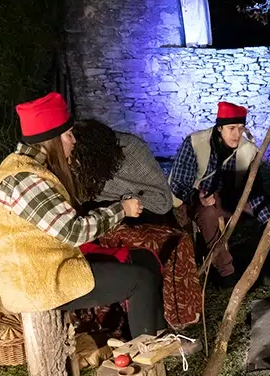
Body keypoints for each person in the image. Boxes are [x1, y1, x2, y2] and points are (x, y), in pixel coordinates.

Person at [0, 92, 165, 339]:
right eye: (68, 135)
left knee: (141, 262)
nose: (73, 142)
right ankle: (146, 353)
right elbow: (73, 231)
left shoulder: (28, 170)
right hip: (40, 284)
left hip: (50, 270)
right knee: (139, 280)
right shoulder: (25, 180)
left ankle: (157, 338)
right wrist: (122, 208)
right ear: (52, 139)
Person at [71, 120, 204, 329]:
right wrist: (117, 206)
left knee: (178, 242)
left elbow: (161, 200)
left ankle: (176, 316)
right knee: (139, 248)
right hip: (105, 221)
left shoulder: (131, 150)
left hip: (149, 217)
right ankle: (137, 322)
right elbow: (81, 204)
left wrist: (129, 200)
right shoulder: (74, 161)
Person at [167, 101, 270, 285]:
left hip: (230, 200)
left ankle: (269, 263)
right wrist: (196, 196)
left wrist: (269, 218)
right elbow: (179, 182)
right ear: (219, 128)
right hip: (194, 200)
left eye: (240, 128)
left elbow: (254, 189)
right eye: (231, 128)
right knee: (208, 213)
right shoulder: (195, 143)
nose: (237, 134)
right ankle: (226, 271)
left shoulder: (247, 150)